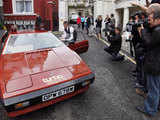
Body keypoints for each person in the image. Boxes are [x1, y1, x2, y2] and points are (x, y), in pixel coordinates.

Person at [136, 4, 160, 116]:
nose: (148, 21)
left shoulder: (158, 31)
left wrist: (143, 30)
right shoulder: (156, 28)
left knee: (153, 89)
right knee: (155, 88)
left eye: (150, 19)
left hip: (155, 65)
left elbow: (148, 43)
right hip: (156, 64)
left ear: (158, 19)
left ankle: (150, 110)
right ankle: (154, 106)